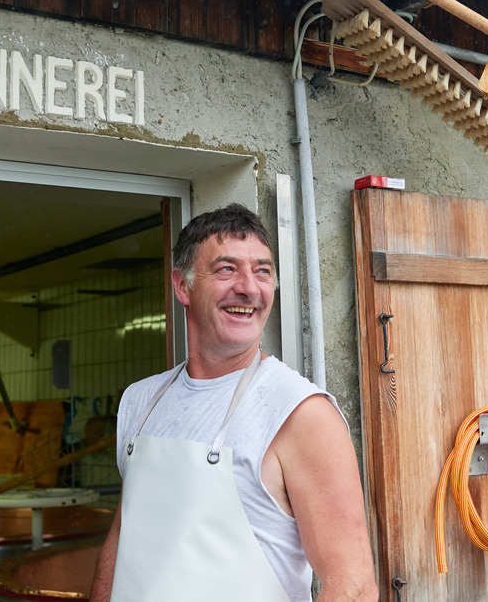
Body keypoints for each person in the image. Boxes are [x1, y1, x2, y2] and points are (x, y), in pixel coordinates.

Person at [90, 203, 378, 602]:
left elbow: (353, 586)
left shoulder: (301, 413)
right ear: (182, 286)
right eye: (227, 269)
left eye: (262, 271)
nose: (249, 287)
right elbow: (124, 537)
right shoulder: (142, 402)